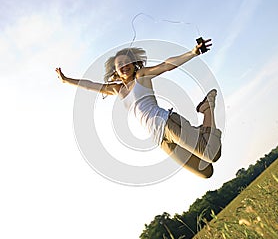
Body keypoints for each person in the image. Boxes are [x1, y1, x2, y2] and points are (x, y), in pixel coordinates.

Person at [55, 39, 222, 178]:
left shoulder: (141, 76)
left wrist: (193, 52)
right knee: (205, 171)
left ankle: (208, 108)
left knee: (212, 154)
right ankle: (200, 130)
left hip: (166, 123)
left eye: (127, 61)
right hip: (160, 140)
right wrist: (66, 80)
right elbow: (90, 85)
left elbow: (167, 65)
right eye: (119, 64)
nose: (124, 65)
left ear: (134, 64)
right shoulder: (117, 89)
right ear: (116, 71)